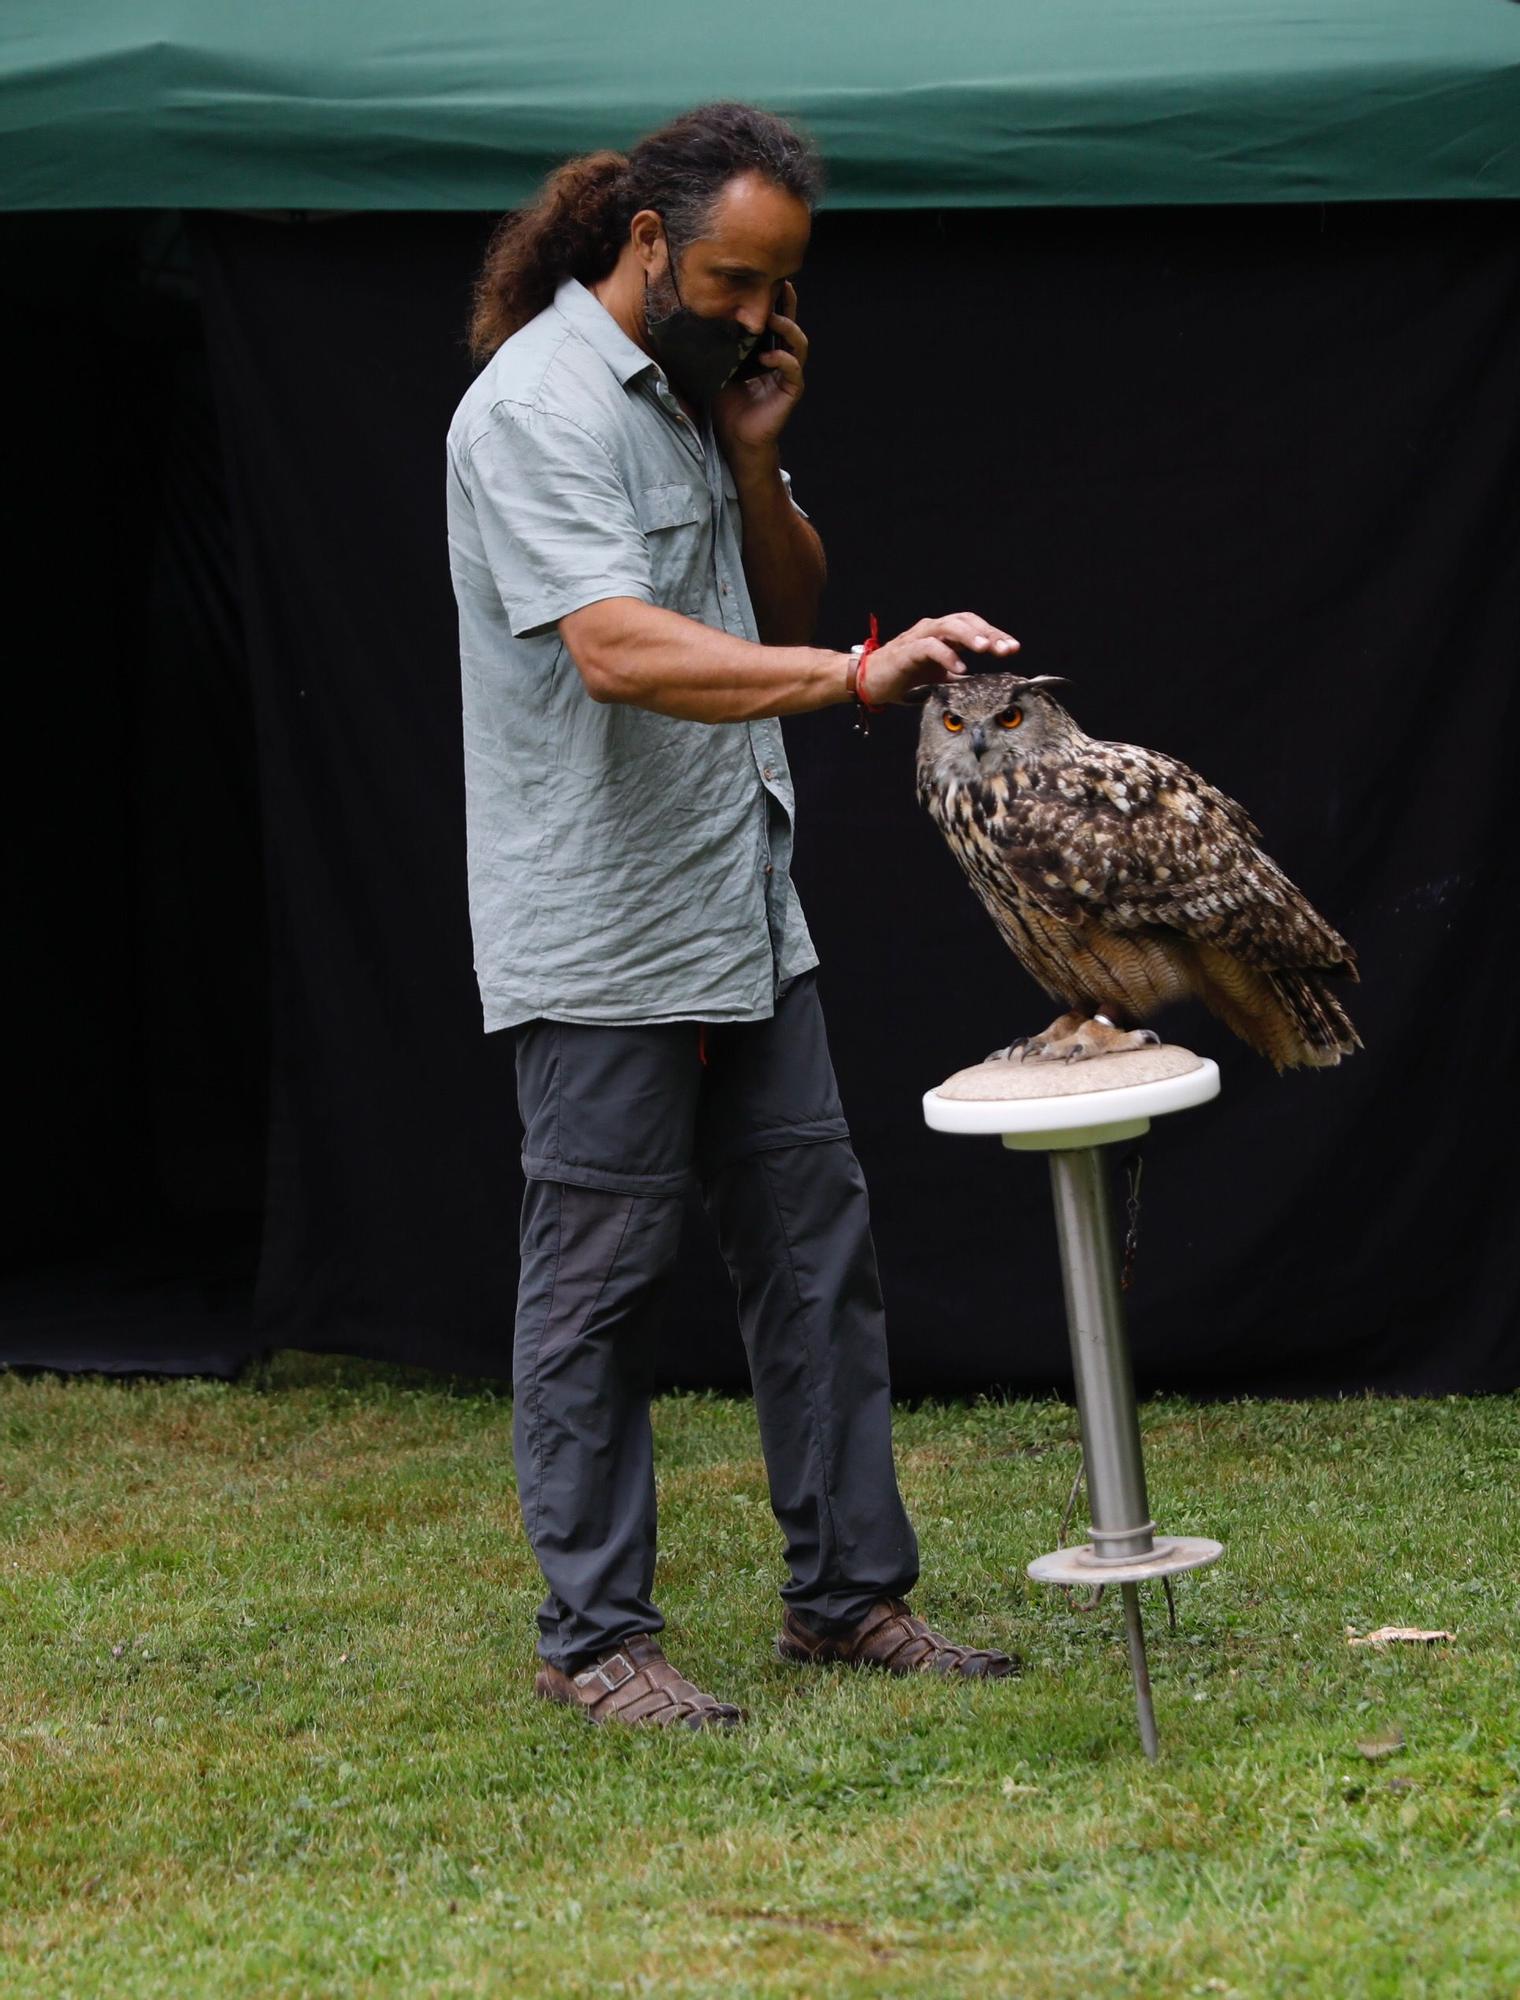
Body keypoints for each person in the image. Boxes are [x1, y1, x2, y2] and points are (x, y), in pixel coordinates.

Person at [446, 101, 1021, 1729]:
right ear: (644, 245)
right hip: (606, 929)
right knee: (599, 1285)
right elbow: (620, 650)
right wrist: (857, 677)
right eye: (738, 282)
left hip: (738, 910)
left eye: (782, 287)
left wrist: (758, 454)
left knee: (813, 1255)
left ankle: (846, 1600)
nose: (765, 316)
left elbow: (774, 609)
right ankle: (591, 1641)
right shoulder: (537, 410)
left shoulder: (694, 398)